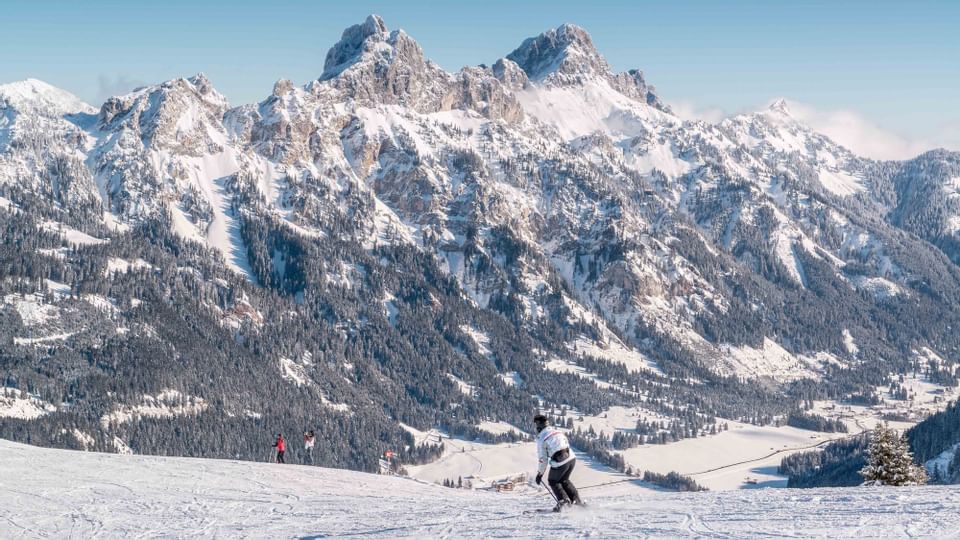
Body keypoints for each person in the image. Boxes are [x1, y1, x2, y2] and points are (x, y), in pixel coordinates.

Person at [534, 414, 583, 512]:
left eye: (536, 425)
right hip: (571, 458)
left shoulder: (542, 438)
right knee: (564, 480)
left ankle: (564, 502)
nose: (535, 428)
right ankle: (576, 501)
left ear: (539, 426)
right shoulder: (557, 431)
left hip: (560, 461)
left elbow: (543, 459)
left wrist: (540, 474)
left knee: (553, 481)